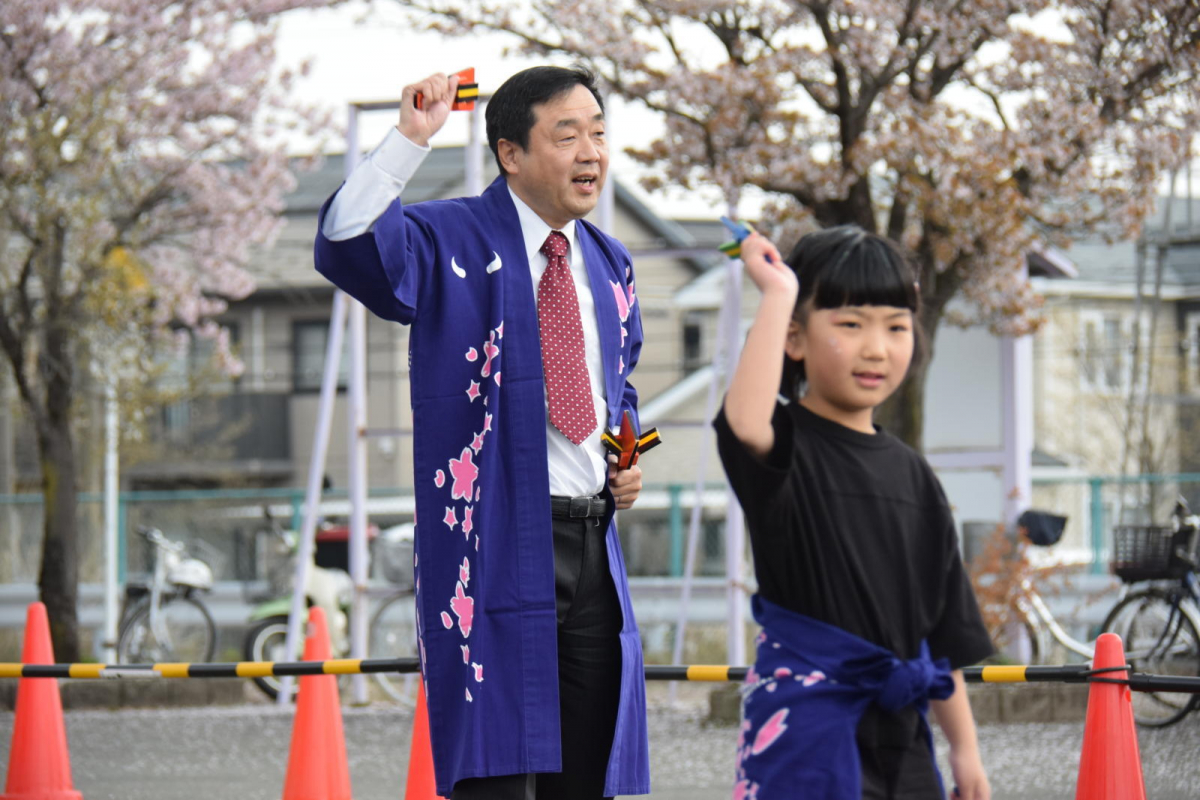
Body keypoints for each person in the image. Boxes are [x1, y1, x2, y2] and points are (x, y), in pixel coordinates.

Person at [314, 66, 650, 799]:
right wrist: (410, 140)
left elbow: (618, 389)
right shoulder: (448, 237)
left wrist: (629, 459)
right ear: (511, 154)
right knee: (494, 770)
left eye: (598, 132)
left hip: (594, 547)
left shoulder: (610, 261)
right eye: (567, 135)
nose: (591, 151)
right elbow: (347, 243)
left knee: (585, 773)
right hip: (492, 543)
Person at [714, 226, 994, 799]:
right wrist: (775, 294)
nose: (877, 348)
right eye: (850, 324)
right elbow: (745, 421)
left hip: (905, 737)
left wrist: (964, 750)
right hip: (806, 733)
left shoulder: (915, 474)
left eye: (896, 327)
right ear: (794, 339)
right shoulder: (784, 445)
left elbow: (939, 635)